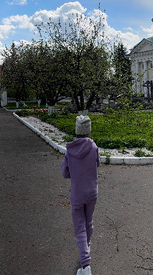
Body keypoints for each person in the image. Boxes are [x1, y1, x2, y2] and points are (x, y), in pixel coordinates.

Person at [63, 115, 99, 275]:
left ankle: (85, 267)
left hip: (77, 193)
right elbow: (97, 163)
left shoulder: (70, 150)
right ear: (89, 130)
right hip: (92, 192)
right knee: (88, 221)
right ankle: (87, 245)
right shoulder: (93, 147)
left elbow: (65, 173)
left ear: (77, 130)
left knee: (79, 228)